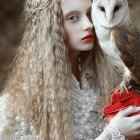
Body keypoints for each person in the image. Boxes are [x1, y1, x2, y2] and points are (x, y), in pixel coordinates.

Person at [0, 0, 140, 139]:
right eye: (72, 18)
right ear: (49, 27)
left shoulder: (107, 78)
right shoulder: (16, 105)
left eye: (90, 14)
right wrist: (113, 134)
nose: (88, 24)